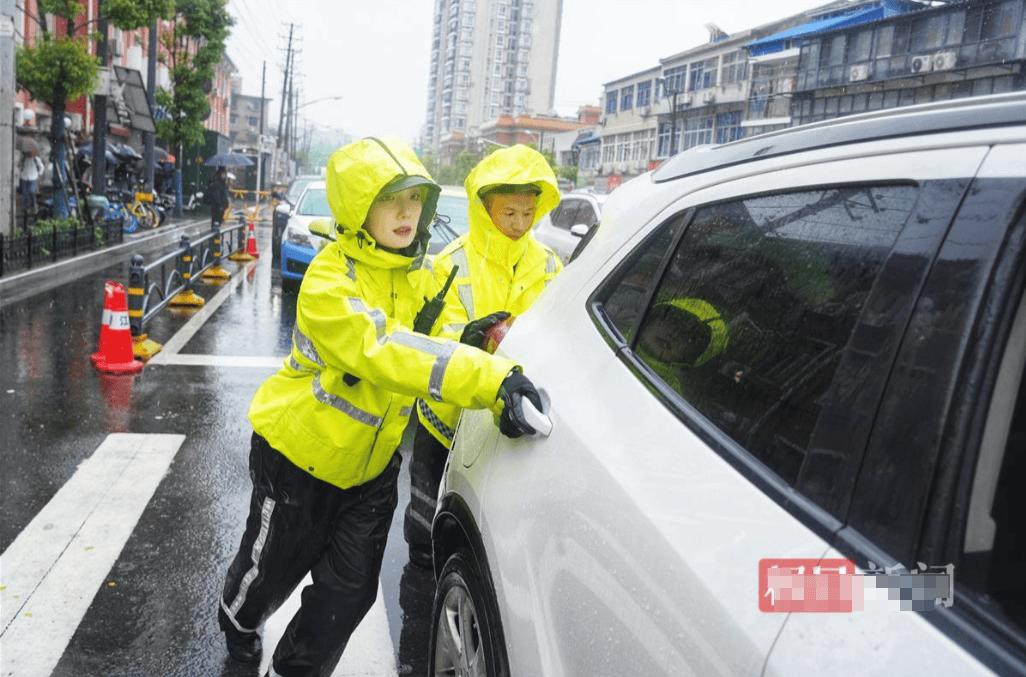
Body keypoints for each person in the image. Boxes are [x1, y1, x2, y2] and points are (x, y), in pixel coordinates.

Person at [217, 136, 542, 675]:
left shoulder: (418, 276)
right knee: (266, 576)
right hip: (299, 460)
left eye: (415, 200)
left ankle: (293, 668)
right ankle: (239, 625)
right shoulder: (328, 280)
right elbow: (386, 348)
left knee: (349, 595)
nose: (406, 213)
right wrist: (488, 377)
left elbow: (430, 341)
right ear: (356, 208)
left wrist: (467, 339)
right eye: (390, 201)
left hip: (370, 474)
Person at [403, 144, 562, 566]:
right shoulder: (451, 263)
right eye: (509, 213)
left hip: (507, 413)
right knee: (425, 503)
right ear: (484, 208)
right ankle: (420, 560)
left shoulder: (548, 264)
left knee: (489, 510)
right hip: (447, 417)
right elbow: (432, 339)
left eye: (527, 213)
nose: (519, 223)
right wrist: (467, 339)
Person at [19, 149, 45, 216]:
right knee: (25, 193)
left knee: (31, 191)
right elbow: (19, 166)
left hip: (33, 178)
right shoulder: (24, 158)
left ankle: (33, 205)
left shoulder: (36, 159)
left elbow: (42, 167)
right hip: (24, 177)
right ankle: (27, 207)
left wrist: (39, 174)